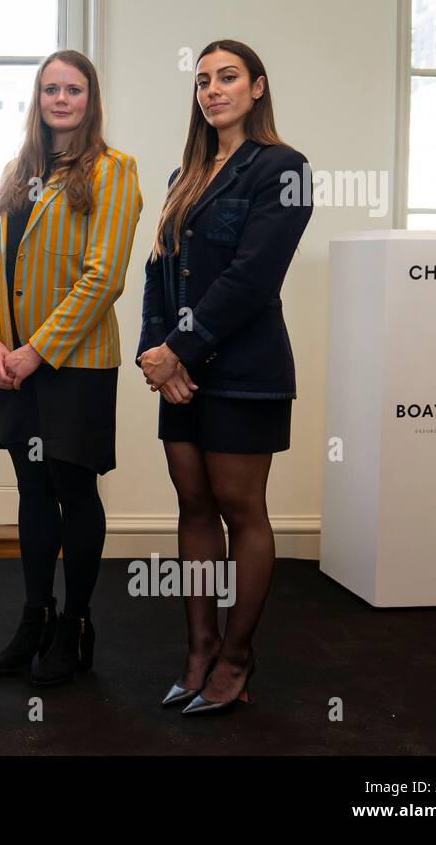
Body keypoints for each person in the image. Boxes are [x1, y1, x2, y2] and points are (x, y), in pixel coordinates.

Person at [136, 39, 312, 716]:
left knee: (244, 513)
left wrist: (181, 349)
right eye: (204, 80)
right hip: (179, 373)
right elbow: (157, 274)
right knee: (192, 508)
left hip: (244, 371)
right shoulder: (187, 173)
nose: (212, 90)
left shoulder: (282, 168)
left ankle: (237, 660)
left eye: (228, 77)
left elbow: (252, 277)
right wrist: (157, 355)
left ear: (258, 88)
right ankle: (199, 650)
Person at [0, 49, 143, 686]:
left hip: (74, 363)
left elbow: (105, 278)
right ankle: (35, 616)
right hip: (13, 363)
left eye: (73, 89)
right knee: (32, 492)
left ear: (90, 99)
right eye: (51, 89)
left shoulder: (115, 170)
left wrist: (37, 350)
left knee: (75, 491)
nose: (62, 99)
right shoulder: (19, 170)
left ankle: (75, 623)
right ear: (38, 99)